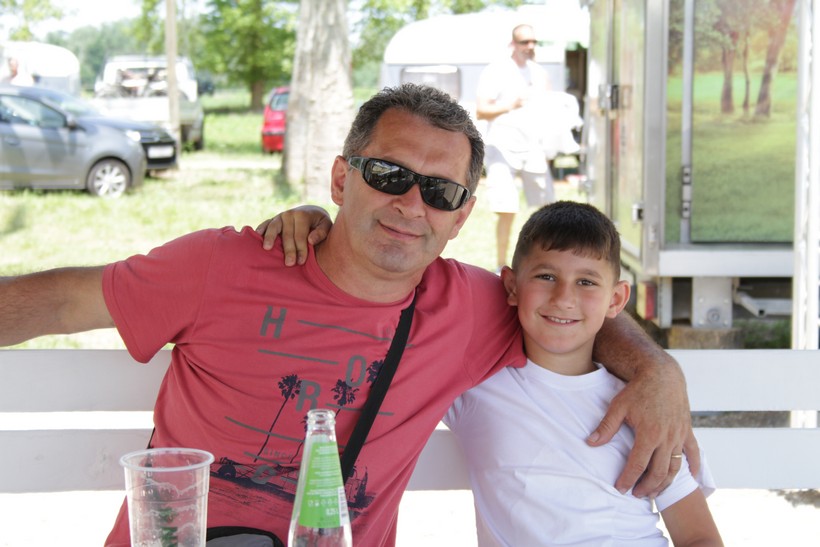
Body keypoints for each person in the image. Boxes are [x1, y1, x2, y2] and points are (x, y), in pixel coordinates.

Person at [0, 84, 693, 547]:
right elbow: (61, 299)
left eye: (440, 191)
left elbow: (570, 303)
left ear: (461, 217)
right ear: (341, 179)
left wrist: (656, 368)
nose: (411, 205)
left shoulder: (474, 306)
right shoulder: (224, 264)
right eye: (389, 175)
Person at [442, 201, 723, 546]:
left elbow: (698, 537)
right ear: (512, 286)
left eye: (586, 282)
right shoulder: (476, 385)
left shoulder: (644, 405)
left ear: (616, 299)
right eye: (546, 276)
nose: (564, 298)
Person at [476, 23, 555, 272]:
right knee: (506, 209)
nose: (530, 46)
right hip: (502, 148)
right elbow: (481, 110)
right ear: (513, 44)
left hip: (533, 147)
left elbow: (549, 108)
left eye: (533, 42)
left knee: (547, 210)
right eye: (524, 42)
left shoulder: (539, 73)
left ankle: (544, 263)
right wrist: (511, 105)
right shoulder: (496, 71)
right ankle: (501, 265)